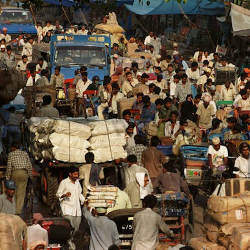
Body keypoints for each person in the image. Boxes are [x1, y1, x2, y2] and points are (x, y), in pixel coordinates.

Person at [6, 142, 32, 215]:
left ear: (13, 148)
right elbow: (29, 165)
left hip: (15, 173)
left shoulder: (11, 154)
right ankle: (18, 211)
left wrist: (7, 177)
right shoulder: (25, 153)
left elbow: (9, 167)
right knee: (21, 193)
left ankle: (13, 209)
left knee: (13, 191)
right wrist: (30, 176)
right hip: (24, 173)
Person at [56, 167, 85, 234]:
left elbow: (79, 193)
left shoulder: (77, 182)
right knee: (69, 229)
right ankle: (69, 242)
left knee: (76, 230)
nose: (76, 176)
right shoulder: (64, 182)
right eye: (75, 174)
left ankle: (72, 242)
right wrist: (65, 195)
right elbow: (58, 194)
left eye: (77, 174)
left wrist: (84, 201)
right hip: (67, 210)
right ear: (70, 174)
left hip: (77, 210)